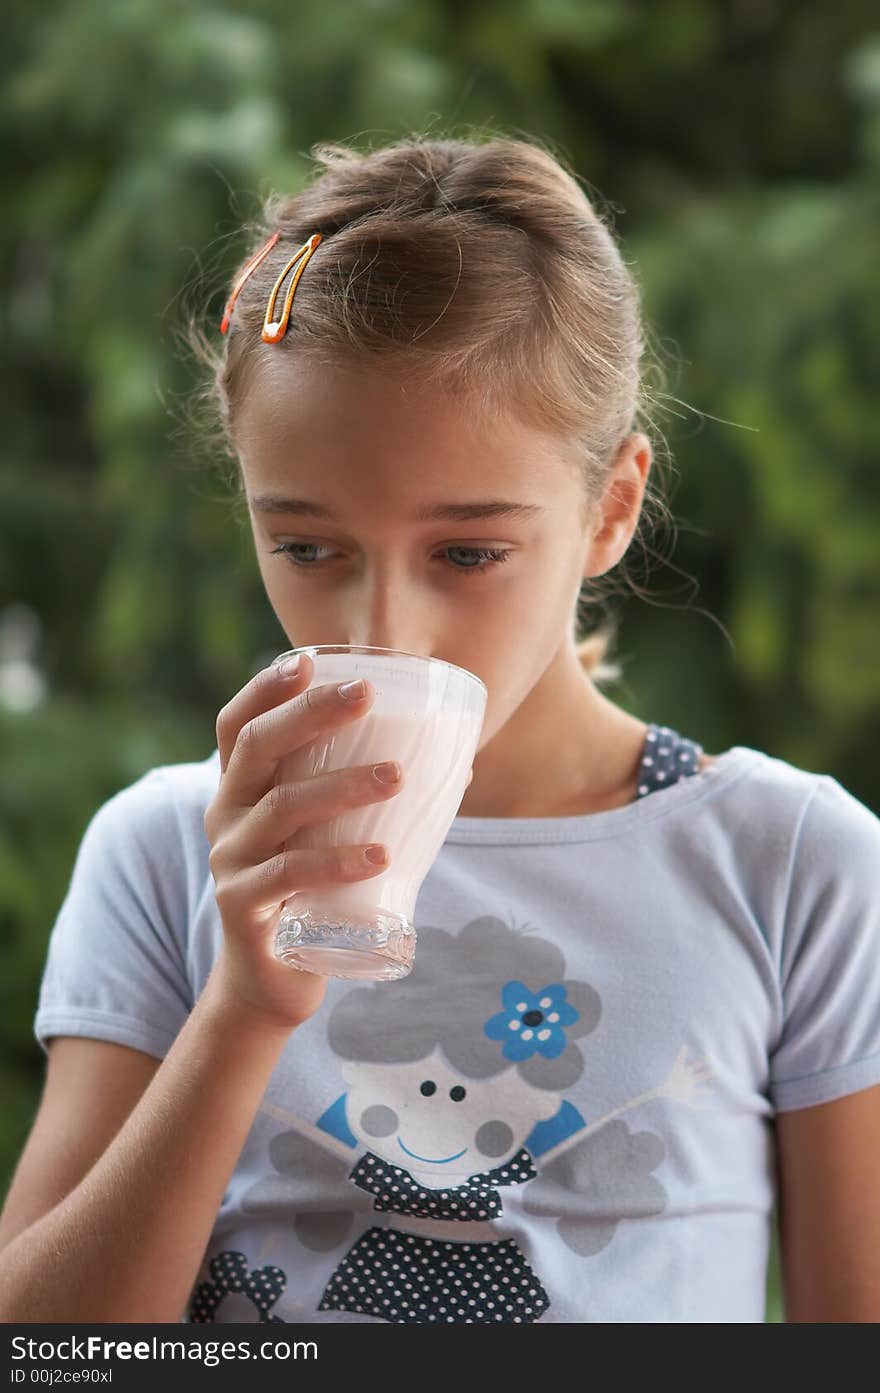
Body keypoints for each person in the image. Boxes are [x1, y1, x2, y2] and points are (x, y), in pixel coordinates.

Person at [1, 134, 878, 1325]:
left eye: (467, 553)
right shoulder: (166, 855)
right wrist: (246, 1008)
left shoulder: (789, 866)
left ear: (610, 508)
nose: (383, 630)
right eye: (307, 548)